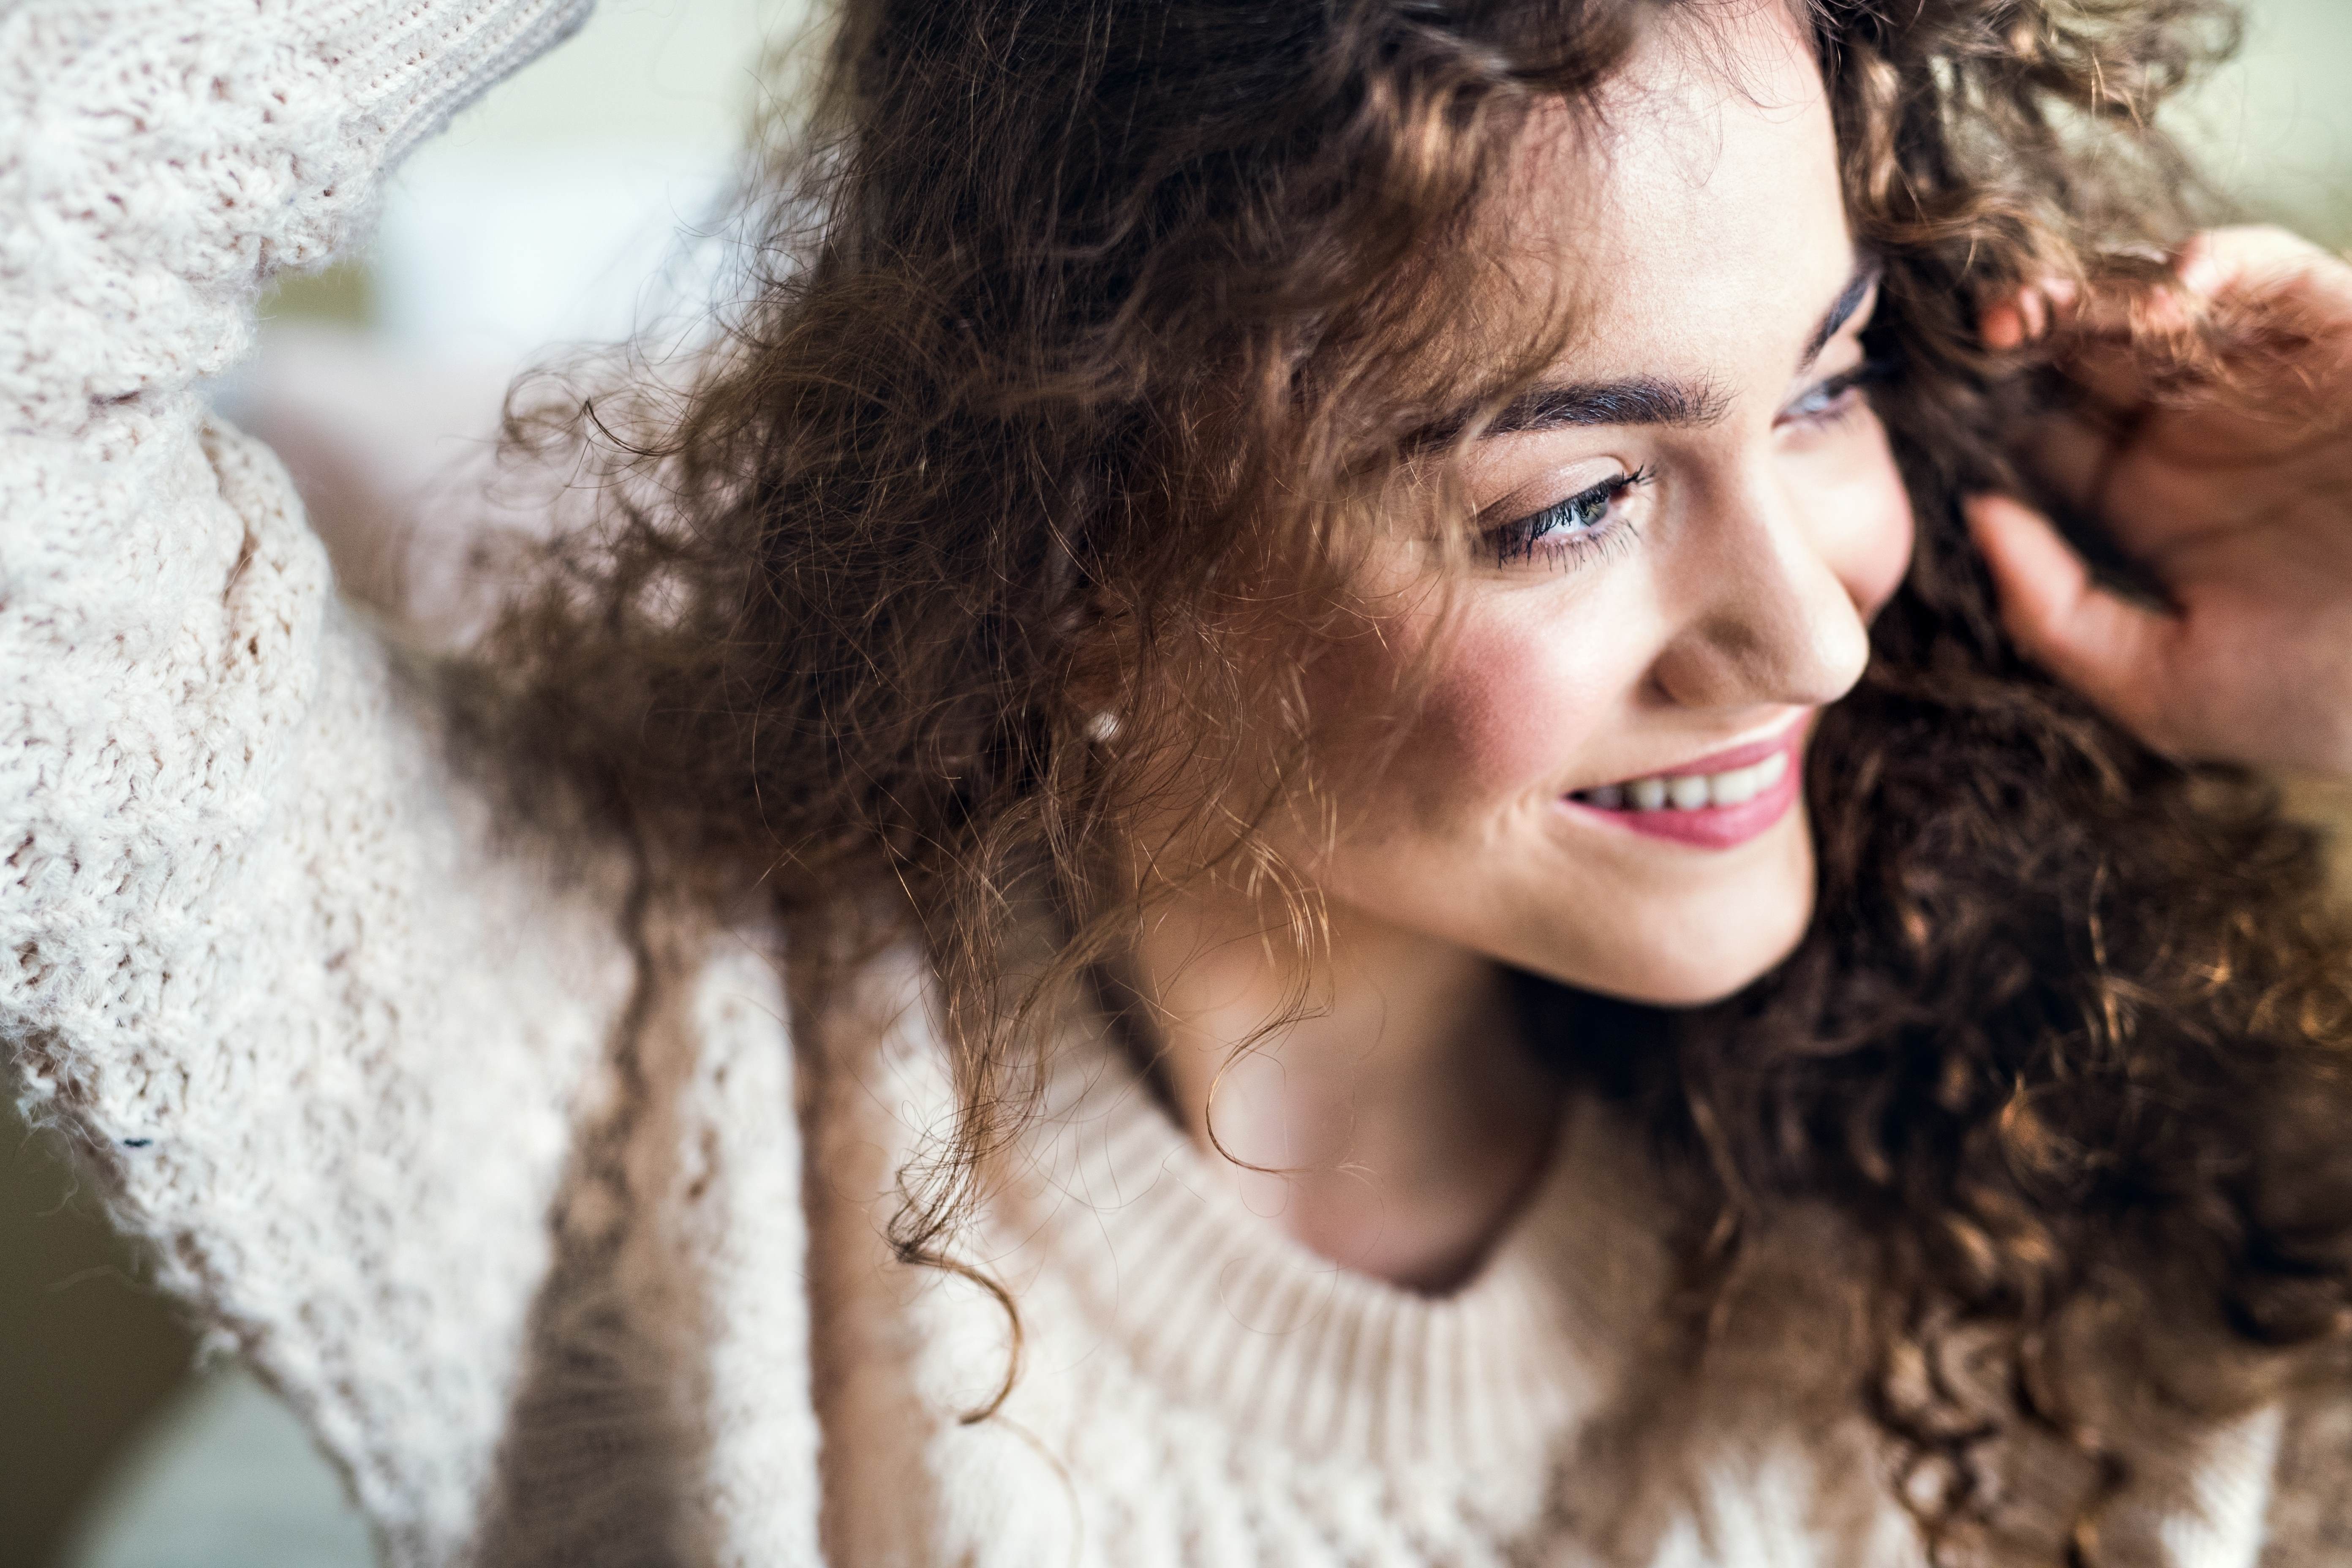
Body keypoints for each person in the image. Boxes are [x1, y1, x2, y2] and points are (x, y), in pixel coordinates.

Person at [7, 0, 2352, 1561]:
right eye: (1568, 505)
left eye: (1823, 389)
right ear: (1079, 534)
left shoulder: (2085, 1164)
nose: (1822, 626)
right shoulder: (610, 1061)